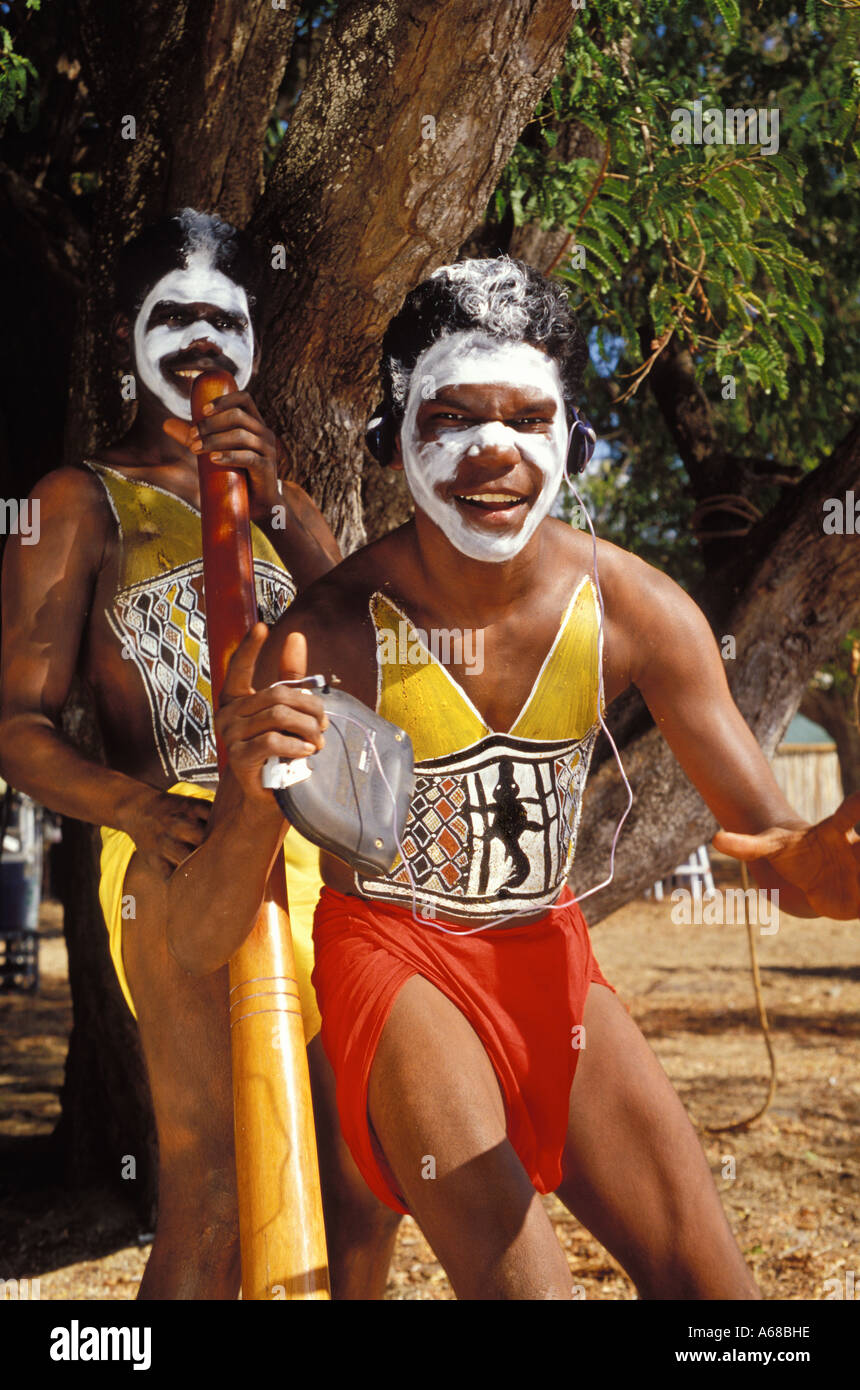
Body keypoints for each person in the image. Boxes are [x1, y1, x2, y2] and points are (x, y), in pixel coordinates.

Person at [166, 256, 860, 1300]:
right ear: (390, 444)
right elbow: (201, 935)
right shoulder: (325, 636)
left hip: (550, 960)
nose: (490, 449)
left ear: (572, 442)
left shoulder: (635, 608)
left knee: (726, 1306)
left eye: (524, 417)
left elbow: (781, 861)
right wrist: (255, 812)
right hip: (394, 965)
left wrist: (830, 860)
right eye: (450, 415)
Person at [0, 209, 401, 1299]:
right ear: (127, 337)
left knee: (360, 1186)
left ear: (253, 345)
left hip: (326, 851)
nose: (199, 340)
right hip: (174, 850)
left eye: (223, 319)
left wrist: (281, 503)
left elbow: (380, 650)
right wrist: (130, 809)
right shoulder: (74, 502)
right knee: (219, 1193)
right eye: (169, 315)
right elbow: (17, 727)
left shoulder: (286, 501)